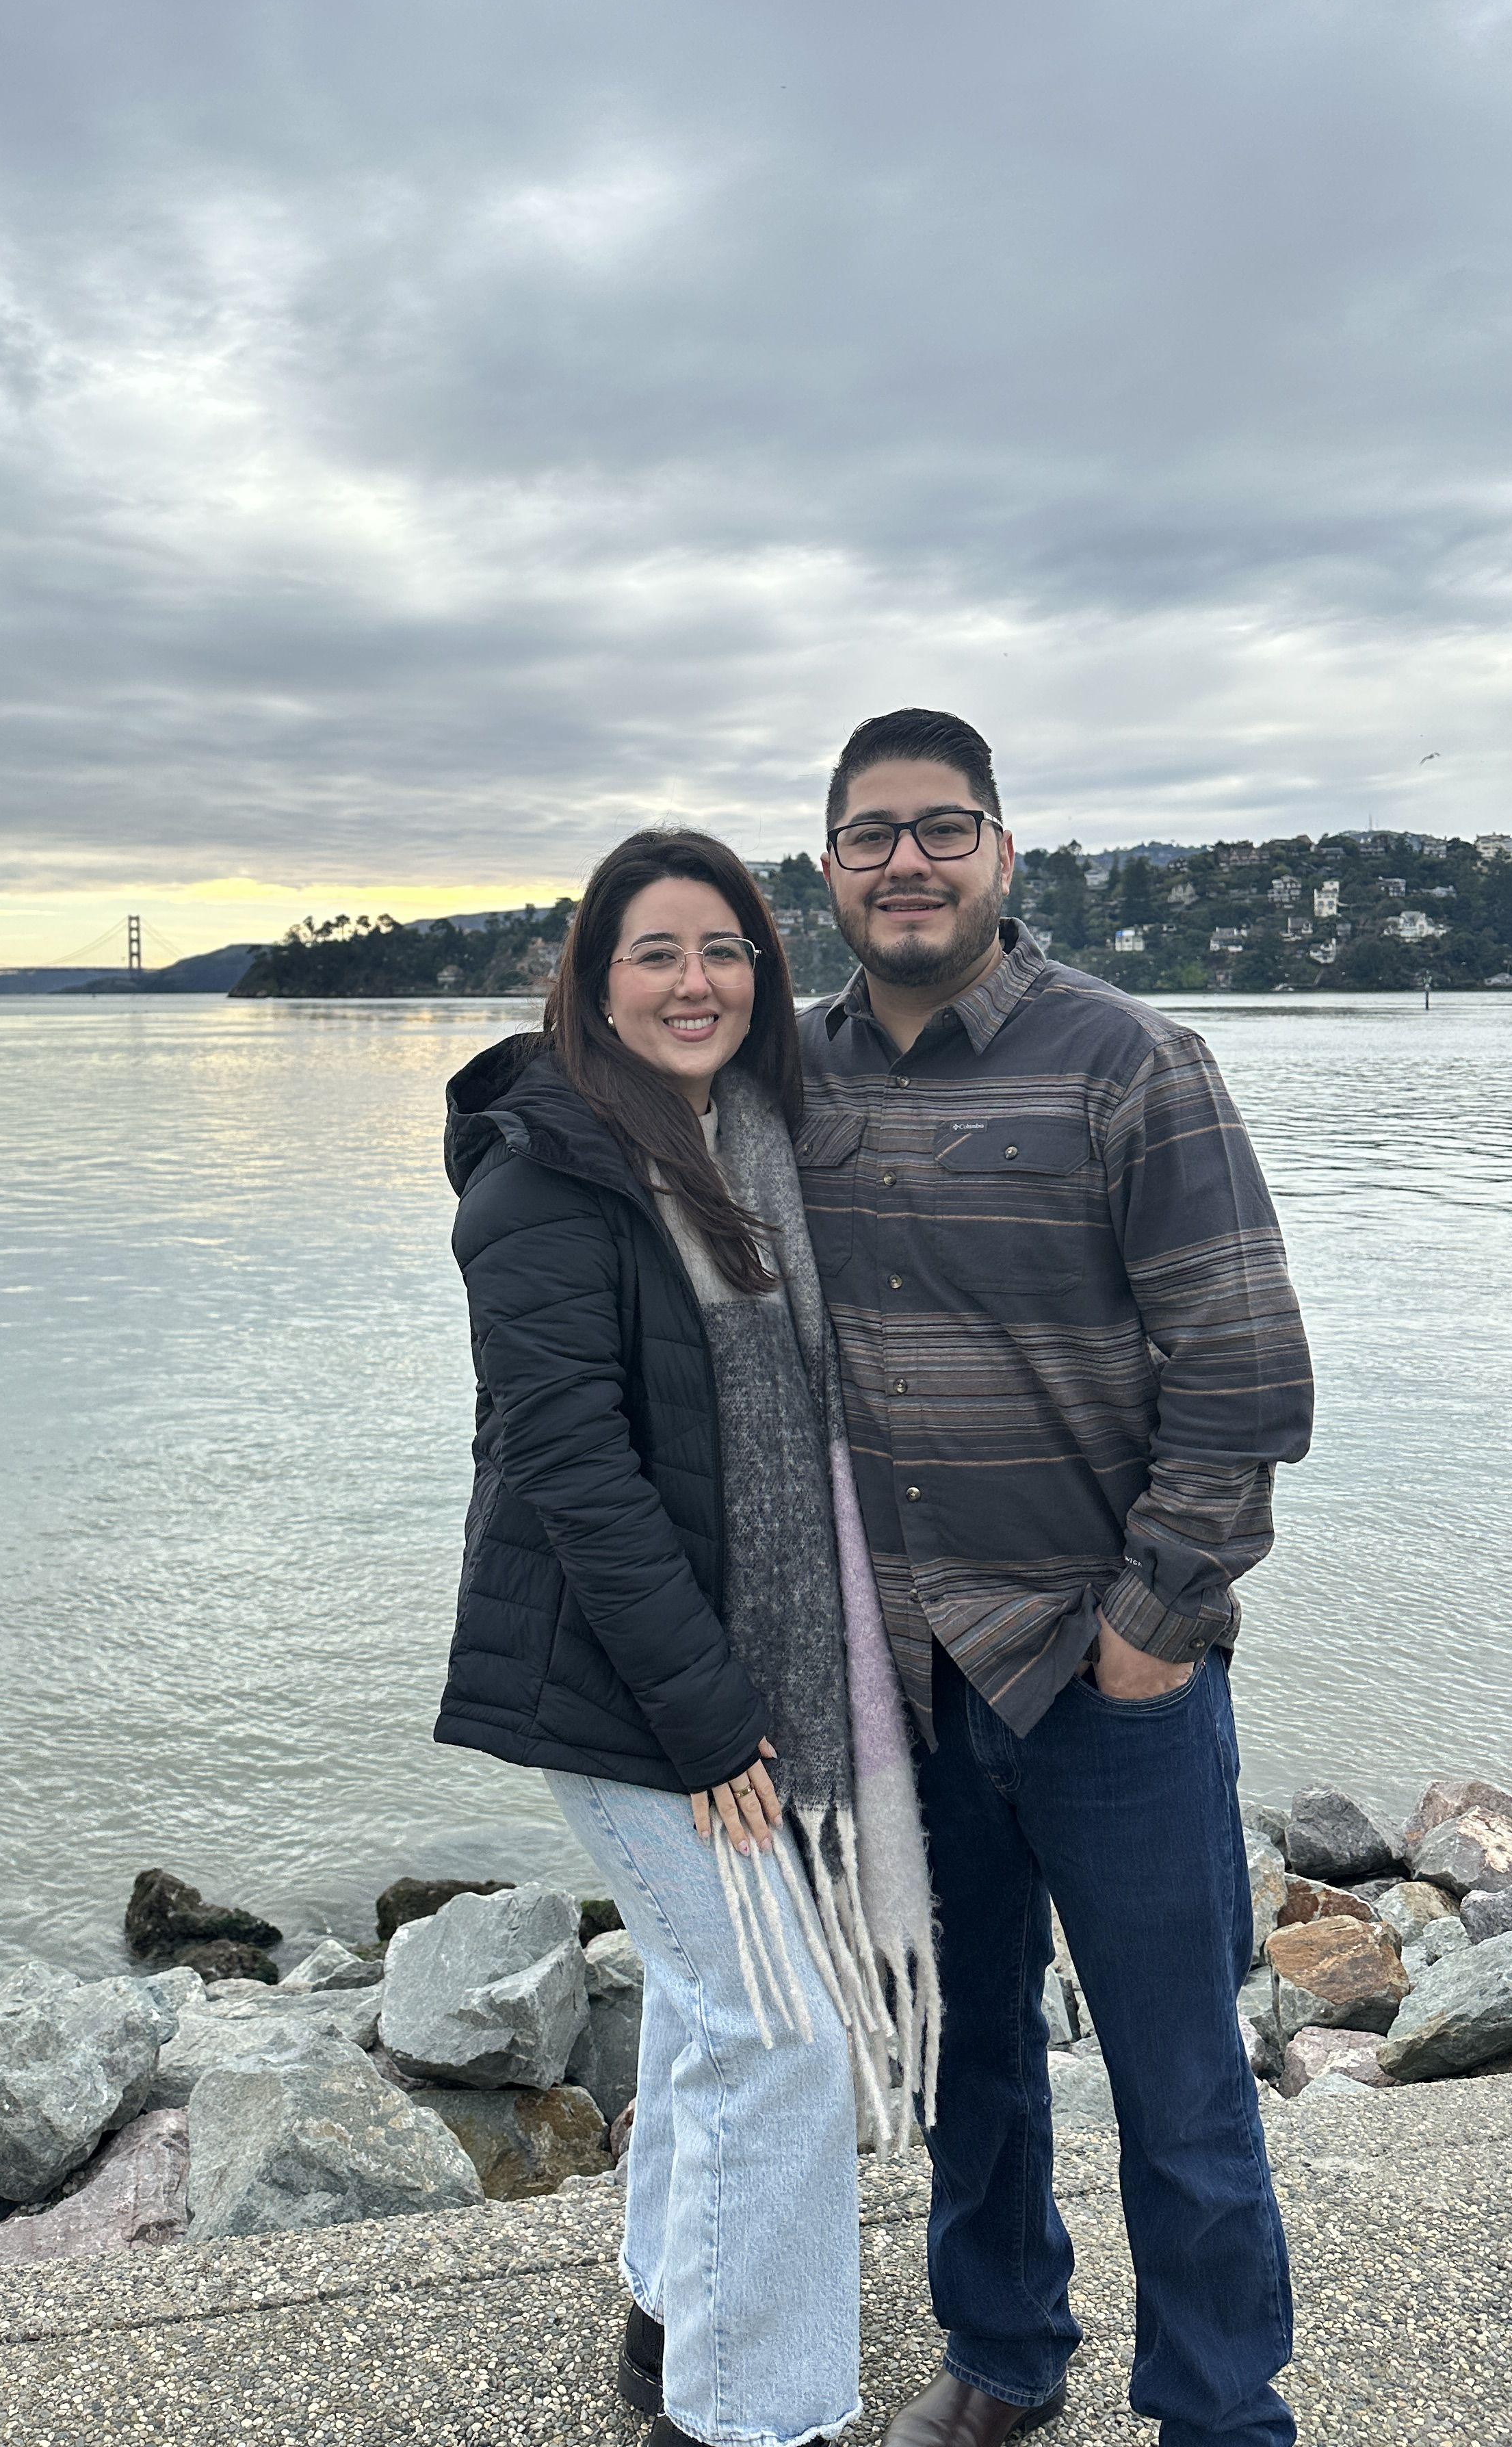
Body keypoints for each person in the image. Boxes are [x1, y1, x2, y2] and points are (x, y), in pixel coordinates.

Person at [795, 710, 1316, 2447]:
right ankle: (1003, 2355)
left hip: (1105, 1678)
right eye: (872, 835)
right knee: (974, 2058)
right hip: (905, 1685)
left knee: (1181, 2079)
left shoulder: (1131, 1063)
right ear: (829, 868)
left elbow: (1245, 1373)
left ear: (1003, 853)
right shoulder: (790, 1084)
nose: (908, 864)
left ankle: (1222, 2413)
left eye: (942, 829)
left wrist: (1149, 1634)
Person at [436, 826, 942, 2447]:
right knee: (780, 2030)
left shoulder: (753, 1147)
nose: (694, 981)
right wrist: (713, 1718)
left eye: (723, 950)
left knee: (709, 2004)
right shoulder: (545, 1173)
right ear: (593, 983)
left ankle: (673, 2327)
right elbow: (575, 1472)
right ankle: (749, 2419)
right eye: (654, 953)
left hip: (732, 1672)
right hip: (631, 1686)